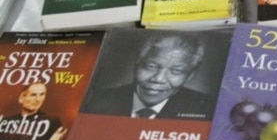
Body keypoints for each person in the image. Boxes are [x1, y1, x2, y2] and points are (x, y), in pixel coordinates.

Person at [81, 33, 215, 120]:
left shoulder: (208, 110)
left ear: (190, 76)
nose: (158, 79)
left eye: (176, 71)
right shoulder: (94, 102)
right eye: (151, 67)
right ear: (137, 64)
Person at [0, 83, 67, 140]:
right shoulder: (6, 121)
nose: (38, 100)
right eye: (33, 95)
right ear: (22, 98)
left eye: (42, 94)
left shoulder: (52, 122)